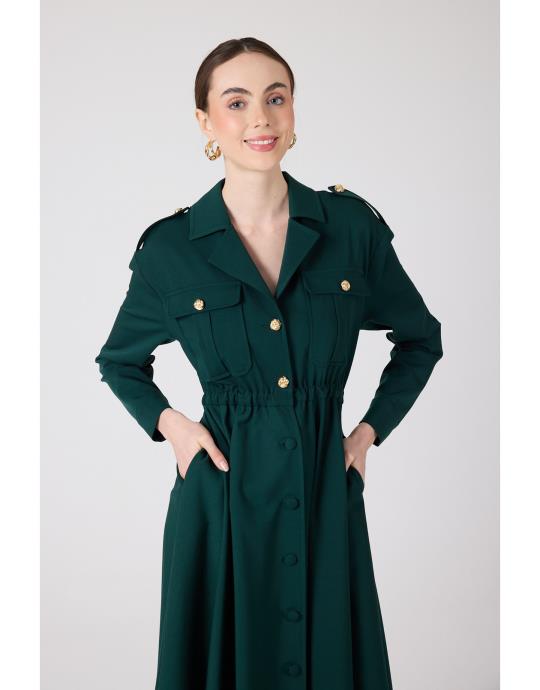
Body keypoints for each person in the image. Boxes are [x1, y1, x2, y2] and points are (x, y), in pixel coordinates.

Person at [94, 37, 443, 690]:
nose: (261, 118)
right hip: (220, 496)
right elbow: (119, 361)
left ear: (293, 111)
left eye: (275, 98)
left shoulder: (351, 229)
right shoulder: (170, 248)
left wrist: (367, 433)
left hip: (323, 488)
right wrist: (175, 428)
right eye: (237, 102)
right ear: (205, 122)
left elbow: (420, 339)